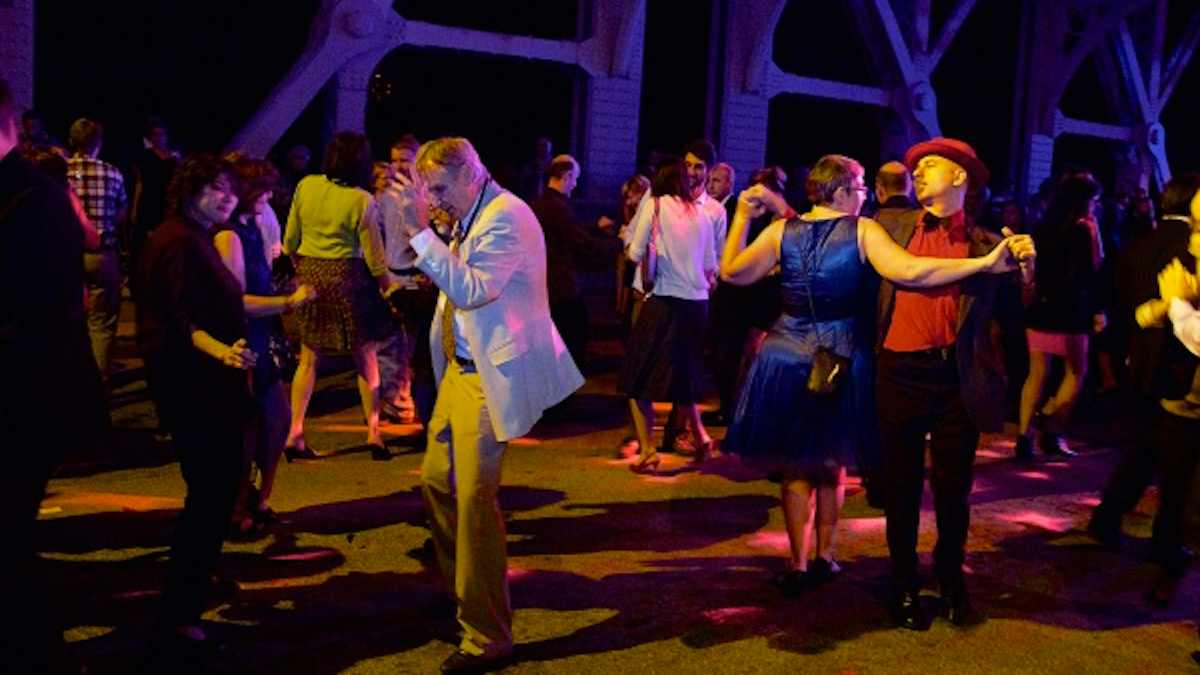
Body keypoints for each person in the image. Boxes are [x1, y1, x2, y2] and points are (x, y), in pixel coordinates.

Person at [721, 154, 1027, 597]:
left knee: (797, 462)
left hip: (784, 352)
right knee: (831, 461)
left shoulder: (780, 231)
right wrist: (982, 265)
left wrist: (742, 218)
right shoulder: (862, 230)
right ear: (844, 191)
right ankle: (827, 554)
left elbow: (732, 272)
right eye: (861, 187)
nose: (866, 196)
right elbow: (910, 271)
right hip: (841, 352)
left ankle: (799, 561)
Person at [390, 137, 583, 673]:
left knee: (476, 503)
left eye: (440, 188)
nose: (435, 198)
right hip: (459, 369)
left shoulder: (507, 216)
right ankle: (463, 587)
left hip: (487, 377)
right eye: (428, 190)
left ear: (472, 173)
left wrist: (419, 231)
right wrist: (428, 229)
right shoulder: (472, 210)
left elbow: (473, 289)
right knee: (435, 480)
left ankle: (488, 635)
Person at [876, 138, 1035, 630]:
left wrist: (1028, 272)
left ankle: (950, 577)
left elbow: (1016, 319)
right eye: (914, 168)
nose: (917, 173)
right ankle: (903, 583)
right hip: (900, 371)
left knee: (953, 489)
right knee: (899, 487)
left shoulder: (988, 244)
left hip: (956, 378)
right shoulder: (890, 226)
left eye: (929, 166)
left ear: (961, 177)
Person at [1, 76, 105, 675]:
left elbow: (35, 313)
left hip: (26, 399)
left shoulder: (32, 200)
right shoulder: (33, 195)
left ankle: (43, 655)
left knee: (7, 537)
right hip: (33, 393)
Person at [135, 154, 256, 665]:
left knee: (210, 493)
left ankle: (190, 592)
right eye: (214, 188)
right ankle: (179, 616)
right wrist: (222, 352)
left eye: (230, 189)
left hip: (199, 386)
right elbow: (183, 322)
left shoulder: (189, 236)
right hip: (197, 389)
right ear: (188, 191)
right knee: (210, 494)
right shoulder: (182, 242)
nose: (226, 196)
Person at [1088, 173, 1200, 549]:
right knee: (1174, 457)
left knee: (1146, 445)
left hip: (1140, 358)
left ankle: (1110, 516)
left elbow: (1115, 298)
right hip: (1180, 363)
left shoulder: (1135, 245)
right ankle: (1166, 536)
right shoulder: (1188, 247)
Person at [214, 156, 315, 536]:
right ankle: (237, 509)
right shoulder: (229, 236)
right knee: (249, 430)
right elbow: (236, 301)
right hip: (240, 342)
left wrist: (279, 292)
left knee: (275, 421)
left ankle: (256, 499)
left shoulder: (254, 226)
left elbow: (257, 286)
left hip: (259, 337)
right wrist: (289, 302)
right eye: (262, 189)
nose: (269, 195)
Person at [282, 132, 395, 461]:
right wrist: (389, 289)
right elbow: (375, 259)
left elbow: (290, 240)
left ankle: (295, 432)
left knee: (309, 358)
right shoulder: (362, 200)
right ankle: (374, 431)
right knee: (365, 355)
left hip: (312, 275)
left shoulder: (307, 185)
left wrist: (304, 267)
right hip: (349, 278)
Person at [620, 158, 721, 474]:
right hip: (698, 305)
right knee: (685, 375)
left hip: (665, 301)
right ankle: (701, 438)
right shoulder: (702, 214)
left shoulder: (655, 205)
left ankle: (648, 449)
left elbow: (634, 253)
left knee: (637, 379)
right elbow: (710, 265)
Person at [1015, 174, 1104, 459]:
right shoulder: (1082, 228)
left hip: (1041, 307)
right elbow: (1093, 268)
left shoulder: (1043, 226)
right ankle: (1053, 432)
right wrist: (1098, 309)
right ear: (1084, 201)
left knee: (1036, 373)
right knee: (1076, 372)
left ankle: (1023, 437)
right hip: (1071, 308)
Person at [529, 154, 621, 371]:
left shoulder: (537, 204)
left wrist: (595, 227)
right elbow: (583, 244)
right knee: (573, 339)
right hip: (561, 287)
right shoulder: (559, 208)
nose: (576, 184)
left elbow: (566, 232)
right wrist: (620, 243)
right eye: (575, 178)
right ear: (567, 176)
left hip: (540, 284)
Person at [67, 117, 128, 387]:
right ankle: (98, 383)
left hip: (66, 255)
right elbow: (122, 213)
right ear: (99, 143)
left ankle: (72, 377)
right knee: (102, 322)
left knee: (70, 318)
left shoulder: (60, 171)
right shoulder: (113, 172)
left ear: (72, 142)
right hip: (103, 253)